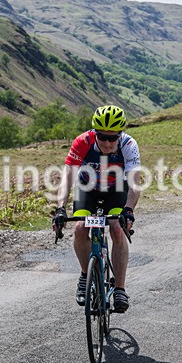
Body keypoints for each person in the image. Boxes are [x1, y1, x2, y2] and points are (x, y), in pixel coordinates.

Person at [52, 105, 141, 313]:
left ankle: (120, 288)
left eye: (113, 138)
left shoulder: (128, 145)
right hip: (87, 189)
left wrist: (128, 210)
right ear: (94, 133)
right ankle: (85, 275)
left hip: (116, 189)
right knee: (80, 229)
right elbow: (67, 179)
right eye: (103, 137)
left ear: (121, 134)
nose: (108, 143)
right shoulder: (82, 142)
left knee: (117, 229)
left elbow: (135, 183)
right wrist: (60, 209)